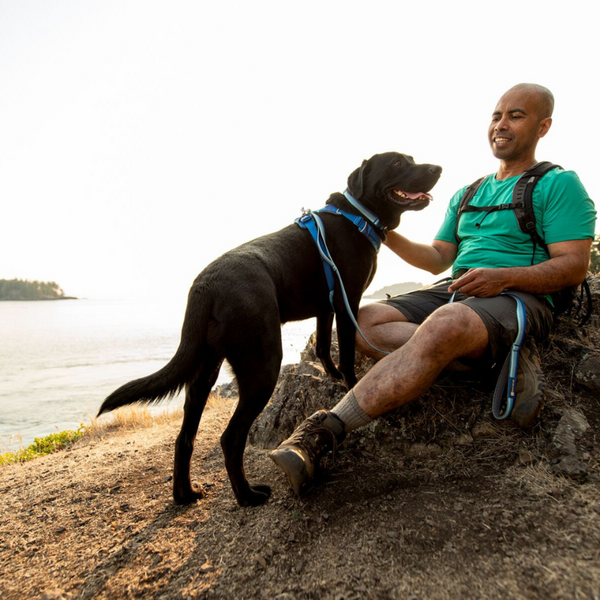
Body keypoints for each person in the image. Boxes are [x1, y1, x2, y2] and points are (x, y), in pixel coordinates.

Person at [269, 83, 597, 497]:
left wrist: (504, 277)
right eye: (497, 115)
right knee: (360, 321)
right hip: (457, 290)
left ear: (543, 126)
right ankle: (484, 359)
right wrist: (376, 228)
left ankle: (324, 433)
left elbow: (573, 265)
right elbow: (439, 257)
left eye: (516, 115)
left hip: (519, 298)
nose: (501, 124)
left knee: (446, 323)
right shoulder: (468, 193)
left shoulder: (559, 184)